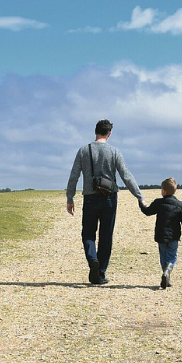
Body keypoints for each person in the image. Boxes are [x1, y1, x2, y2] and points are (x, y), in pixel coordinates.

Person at [66, 119, 144, 285]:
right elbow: (126, 175)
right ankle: (100, 273)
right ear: (109, 134)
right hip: (109, 198)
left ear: (95, 131)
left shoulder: (83, 151)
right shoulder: (114, 151)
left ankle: (92, 259)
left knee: (88, 233)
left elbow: (74, 176)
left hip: (90, 197)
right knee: (106, 235)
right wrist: (139, 196)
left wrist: (70, 197)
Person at [139, 178, 182, 289]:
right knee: (172, 256)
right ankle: (167, 272)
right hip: (174, 236)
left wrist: (141, 203)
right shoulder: (180, 205)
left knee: (163, 256)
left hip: (161, 235)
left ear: (163, 191)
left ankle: (165, 273)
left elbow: (147, 212)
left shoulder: (158, 203)